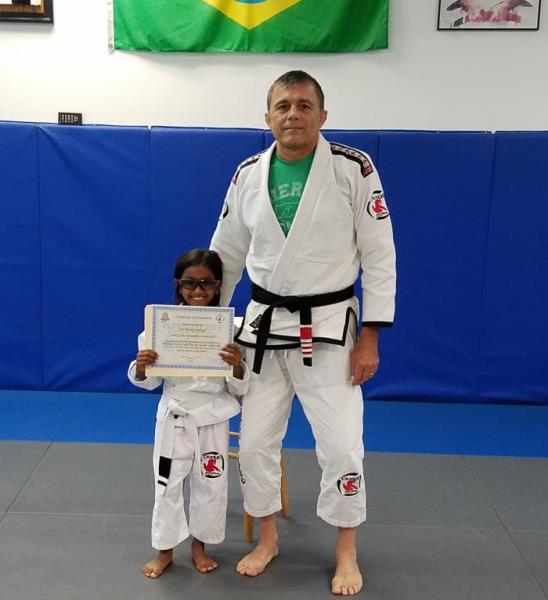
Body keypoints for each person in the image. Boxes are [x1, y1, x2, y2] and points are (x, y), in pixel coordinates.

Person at [210, 70, 396, 595]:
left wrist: (372, 335)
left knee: (342, 447)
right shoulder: (248, 173)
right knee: (254, 444)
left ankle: (346, 550)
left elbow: (380, 254)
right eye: (283, 106)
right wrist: (208, 324)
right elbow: (225, 255)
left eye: (304, 105)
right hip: (264, 330)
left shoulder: (353, 168)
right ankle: (267, 539)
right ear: (268, 117)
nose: (293, 114)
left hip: (331, 329)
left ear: (322, 115)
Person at [128, 249, 249, 578]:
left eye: (206, 283)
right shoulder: (158, 326)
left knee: (211, 484)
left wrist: (237, 365)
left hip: (212, 418)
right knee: (167, 484)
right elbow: (148, 382)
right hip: (174, 418)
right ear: (178, 285)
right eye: (190, 283)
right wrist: (143, 366)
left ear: (218, 285)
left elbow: (240, 387)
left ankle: (199, 546)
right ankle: (165, 550)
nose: (198, 290)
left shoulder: (231, 329)